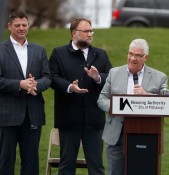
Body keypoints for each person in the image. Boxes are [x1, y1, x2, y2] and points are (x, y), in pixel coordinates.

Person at [97, 38, 169, 175]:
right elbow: (102, 99)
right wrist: (116, 107)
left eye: (137, 55)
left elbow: (167, 102)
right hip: (116, 133)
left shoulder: (159, 77)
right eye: (130, 53)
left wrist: (146, 95)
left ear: (146, 57)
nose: (132, 58)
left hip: (147, 134)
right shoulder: (114, 73)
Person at [49, 17, 112, 175]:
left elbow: (111, 80)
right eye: (86, 31)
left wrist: (97, 78)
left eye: (91, 31)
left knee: (97, 167)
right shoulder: (59, 53)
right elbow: (52, 78)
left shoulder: (101, 55)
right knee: (66, 166)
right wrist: (70, 87)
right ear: (74, 33)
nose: (90, 34)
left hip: (94, 121)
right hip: (68, 119)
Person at [0, 10, 51, 175]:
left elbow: (48, 77)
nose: (21, 28)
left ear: (28, 26)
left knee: (31, 163)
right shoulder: (1, 49)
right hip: (7, 115)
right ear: (9, 27)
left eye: (24, 25)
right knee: (5, 162)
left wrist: (34, 84)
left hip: (32, 114)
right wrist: (19, 84)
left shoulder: (39, 50)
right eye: (17, 25)